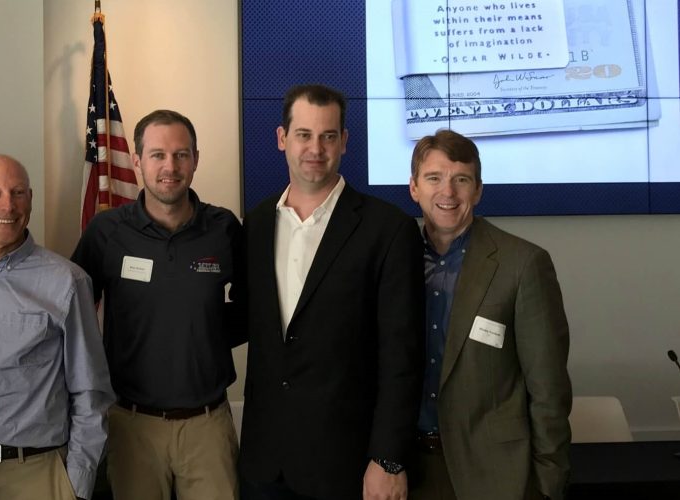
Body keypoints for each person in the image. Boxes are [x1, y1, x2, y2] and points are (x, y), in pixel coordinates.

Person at [237, 84, 424, 500]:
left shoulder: (388, 230)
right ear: (282, 138)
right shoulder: (256, 223)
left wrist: (388, 458)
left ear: (344, 141)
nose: (315, 149)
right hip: (264, 463)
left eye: (328, 136)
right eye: (304, 135)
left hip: (347, 464)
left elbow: (402, 356)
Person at [71, 109, 244, 500]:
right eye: (158, 155)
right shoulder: (107, 232)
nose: (170, 166)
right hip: (132, 425)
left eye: (181, 155)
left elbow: (252, 308)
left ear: (195, 159)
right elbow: (71, 311)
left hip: (207, 426)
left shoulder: (223, 229)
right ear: (137, 161)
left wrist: (203, 336)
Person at [0, 154, 113, 500]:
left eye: (18, 193)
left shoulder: (67, 281)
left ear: (31, 199)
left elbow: (91, 391)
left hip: (36, 475)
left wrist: (76, 484)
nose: (8, 206)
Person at [407, 129, 571, 500]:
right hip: (408, 471)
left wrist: (547, 484)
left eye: (461, 180)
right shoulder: (393, 260)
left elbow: (548, 388)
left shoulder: (523, 264)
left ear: (478, 190)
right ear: (414, 187)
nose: (448, 192)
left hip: (497, 476)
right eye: (434, 178)